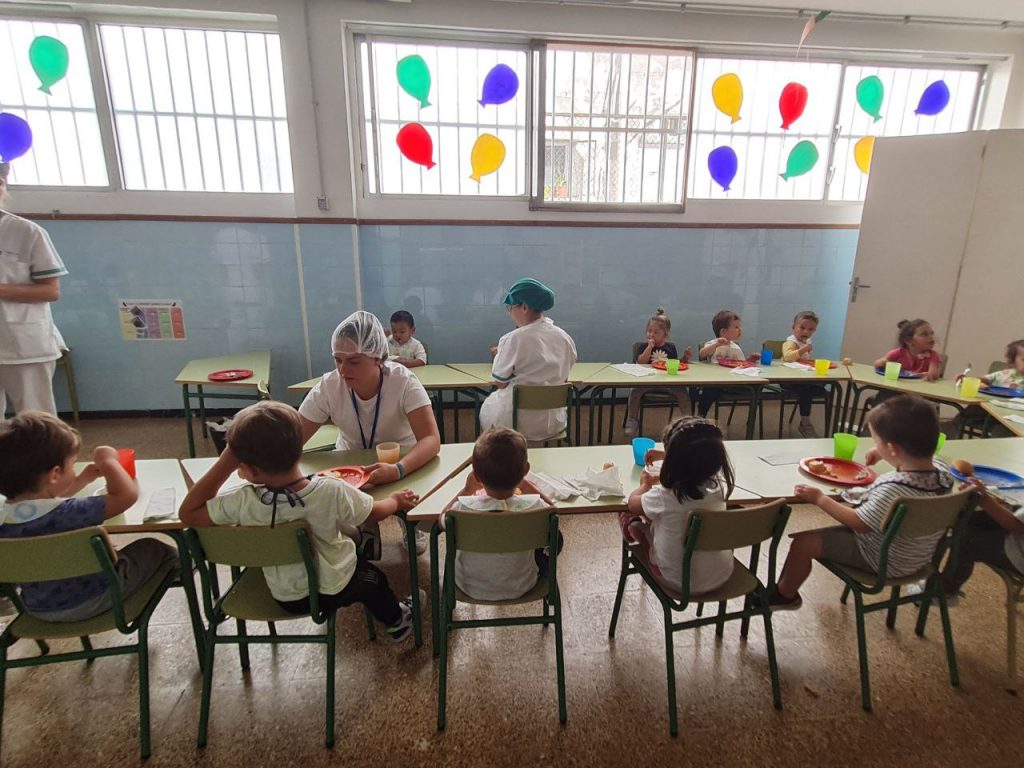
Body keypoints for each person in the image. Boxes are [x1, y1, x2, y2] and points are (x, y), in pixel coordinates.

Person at [179, 401, 421, 642]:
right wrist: (396, 500)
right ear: (300, 449)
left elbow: (189, 513)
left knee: (346, 535)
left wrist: (226, 461)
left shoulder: (242, 501)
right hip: (335, 588)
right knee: (374, 579)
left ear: (250, 469)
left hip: (285, 596)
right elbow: (375, 512)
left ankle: (359, 545)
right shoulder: (331, 490)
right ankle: (397, 621)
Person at [769, 395, 954, 610]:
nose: (875, 445)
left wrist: (820, 499)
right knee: (821, 535)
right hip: (920, 558)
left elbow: (858, 523)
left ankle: (784, 596)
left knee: (803, 544)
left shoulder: (895, 490)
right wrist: (883, 451)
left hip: (882, 558)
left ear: (893, 448)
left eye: (876, 441)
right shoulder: (943, 473)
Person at [0, 411, 178, 621]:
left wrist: (82, 480)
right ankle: (184, 573)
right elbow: (126, 496)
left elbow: (40, 501)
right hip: (98, 597)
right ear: (55, 474)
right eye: (72, 464)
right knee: (155, 548)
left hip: (38, 609)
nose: (75, 469)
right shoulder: (72, 513)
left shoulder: (5, 519)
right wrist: (109, 461)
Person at [298, 311, 441, 553]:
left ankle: (408, 526)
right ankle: (364, 525)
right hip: (350, 465)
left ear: (378, 358)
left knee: (413, 505)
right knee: (353, 540)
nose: (343, 370)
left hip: (401, 458)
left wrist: (398, 470)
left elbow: (431, 439)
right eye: (337, 360)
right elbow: (292, 439)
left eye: (354, 361)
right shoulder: (329, 386)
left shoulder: (403, 381)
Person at [618, 416, 736, 595]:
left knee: (629, 515)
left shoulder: (664, 496)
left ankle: (634, 528)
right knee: (669, 519)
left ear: (674, 460)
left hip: (677, 579)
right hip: (721, 575)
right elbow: (699, 457)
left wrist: (644, 485)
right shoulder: (719, 487)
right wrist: (668, 455)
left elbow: (632, 503)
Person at [442, 427, 558, 601]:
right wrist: (526, 486)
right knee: (557, 538)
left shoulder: (461, 509)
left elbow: (443, 518)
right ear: (525, 470)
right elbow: (554, 512)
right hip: (523, 585)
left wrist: (467, 490)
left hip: (469, 586)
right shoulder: (535, 507)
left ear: (476, 475)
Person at [0, 162, 68, 416]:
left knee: (37, 422)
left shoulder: (26, 232)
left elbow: (50, 291)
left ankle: (46, 459)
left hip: (25, 345)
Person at [479, 278, 577, 443]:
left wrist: (499, 355)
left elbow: (500, 382)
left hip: (515, 424)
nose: (509, 312)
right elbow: (563, 378)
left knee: (488, 408)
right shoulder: (564, 338)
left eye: (510, 307)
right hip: (555, 423)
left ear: (524, 307)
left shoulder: (513, 339)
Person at [932, 478, 1023, 602]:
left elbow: (1016, 526)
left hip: (1018, 552)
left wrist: (983, 498)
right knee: (966, 517)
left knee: (965, 540)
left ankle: (946, 591)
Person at [624, 308, 693, 438]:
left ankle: (688, 421)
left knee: (683, 393)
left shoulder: (670, 348)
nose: (651, 334)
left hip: (668, 382)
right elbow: (640, 362)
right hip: (647, 382)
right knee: (634, 391)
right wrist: (649, 348)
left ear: (665, 335)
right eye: (649, 331)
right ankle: (632, 420)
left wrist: (685, 358)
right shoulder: (644, 347)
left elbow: (675, 364)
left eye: (656, 332)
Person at [696, 309, 757, 417]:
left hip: (733, 382)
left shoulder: (735, 347)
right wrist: (716, 345)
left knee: (755, 388)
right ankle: (701, 415)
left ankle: (750, 422)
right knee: (709, 390)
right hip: (716, 382)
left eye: (739, 327)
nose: (740, 330)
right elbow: (702, 354)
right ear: (723, 331)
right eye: (736, 327)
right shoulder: (713, 344)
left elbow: (741, 364)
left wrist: (750, 360)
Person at [781, 309, 822, 438]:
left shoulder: (806, 342)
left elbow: (805, 362)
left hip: (802, 378)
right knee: (806, 392)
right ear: (793, 328)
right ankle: (805, 423)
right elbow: (788, 357)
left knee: (824, 386)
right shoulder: (791, 342)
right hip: (788, 380)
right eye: (802, 328)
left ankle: (806, 420)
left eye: (811, 330)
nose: (806, 332)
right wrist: (803, 349)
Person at [873, 319, 942, 381]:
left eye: (932, 333)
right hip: (898, 388)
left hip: (920, 390)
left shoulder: (933, 355)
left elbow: (933, 374)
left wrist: (929, 375)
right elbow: (877, 364)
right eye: (924, 334)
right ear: (908, 341)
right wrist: (887, 363)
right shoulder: (899, 352)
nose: (931, 337)